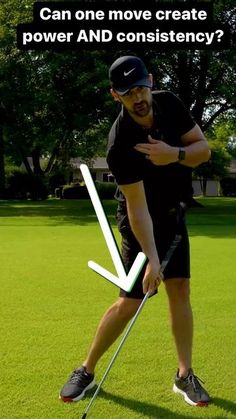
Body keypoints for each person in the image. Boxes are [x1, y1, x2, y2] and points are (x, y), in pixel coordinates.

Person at [60, 56, 211, 407]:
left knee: (181, 289)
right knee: (130, 301)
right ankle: (85, 369)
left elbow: (202, 150)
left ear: (151, 80)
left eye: (141, 87)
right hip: (139, 223)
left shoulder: (171, 103)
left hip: (173, 216)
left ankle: (184, 375)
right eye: (128, 93)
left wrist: (172, 154)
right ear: (116, 96)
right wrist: (152, 260)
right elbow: (137, 206)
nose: (138, 97)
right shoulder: (120, 143)